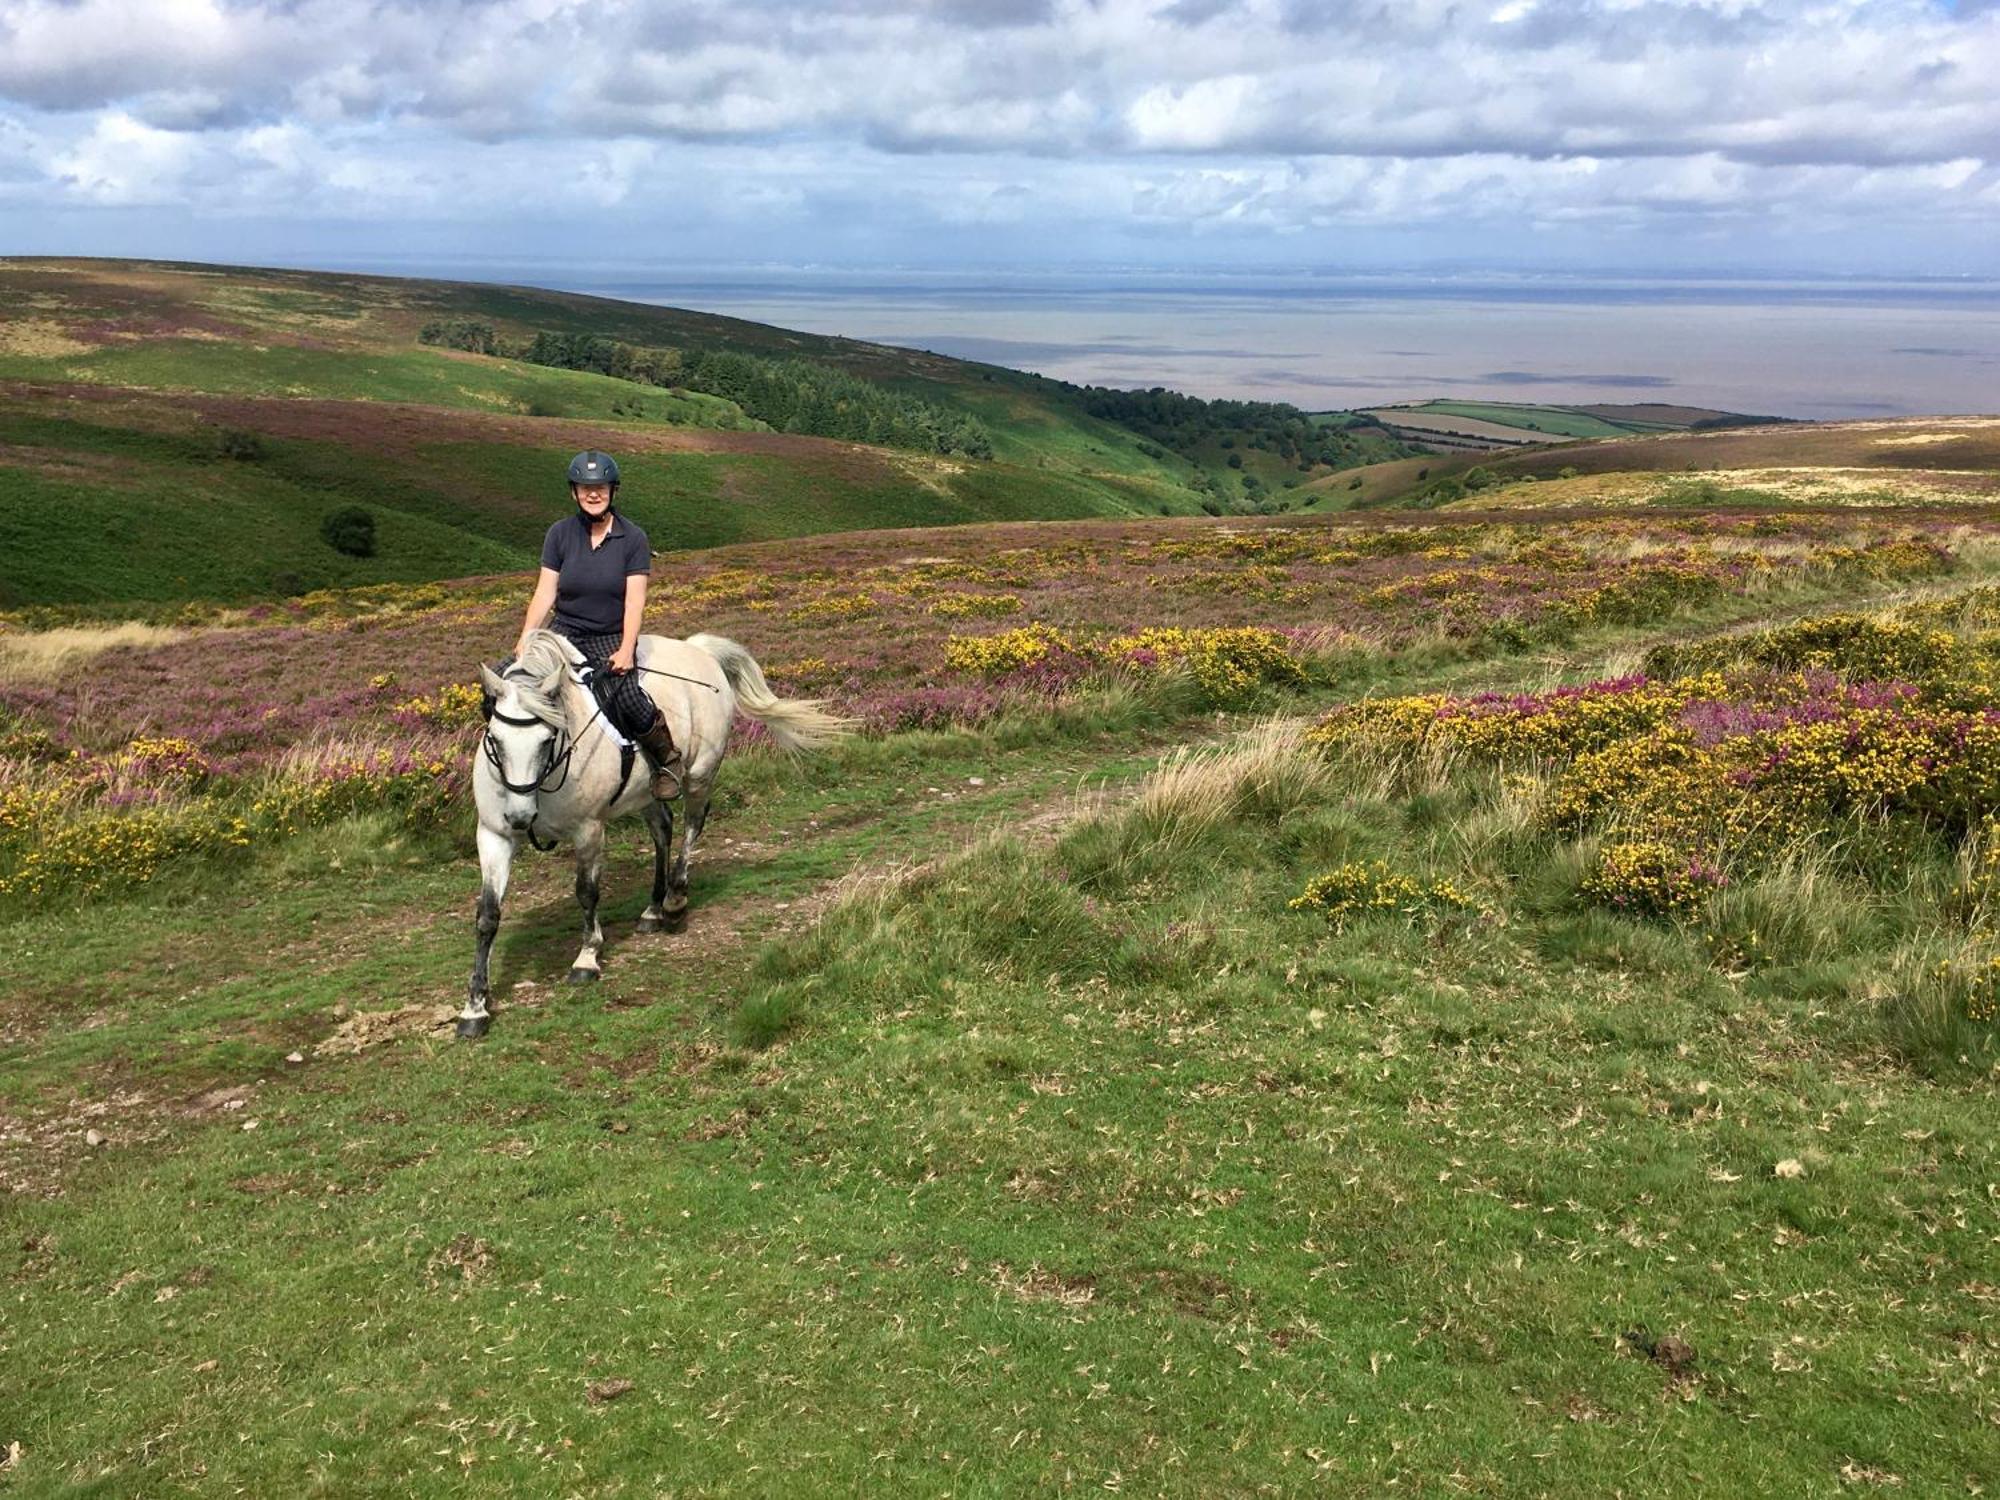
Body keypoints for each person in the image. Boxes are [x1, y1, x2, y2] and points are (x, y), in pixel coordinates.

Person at [513, 450, 684, 799]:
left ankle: (667, 759)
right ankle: (514, 767)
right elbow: (545, 591)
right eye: (585, 487)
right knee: (507, 680)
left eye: (601, 487)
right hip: (565, 631)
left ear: (613, 491)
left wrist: (626, 649)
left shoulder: (633, 538)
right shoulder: (559, 534)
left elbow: (635, 600)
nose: (593, 493)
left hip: (609, 635)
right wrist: (527, 637)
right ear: (573, 492)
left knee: (630, 697)